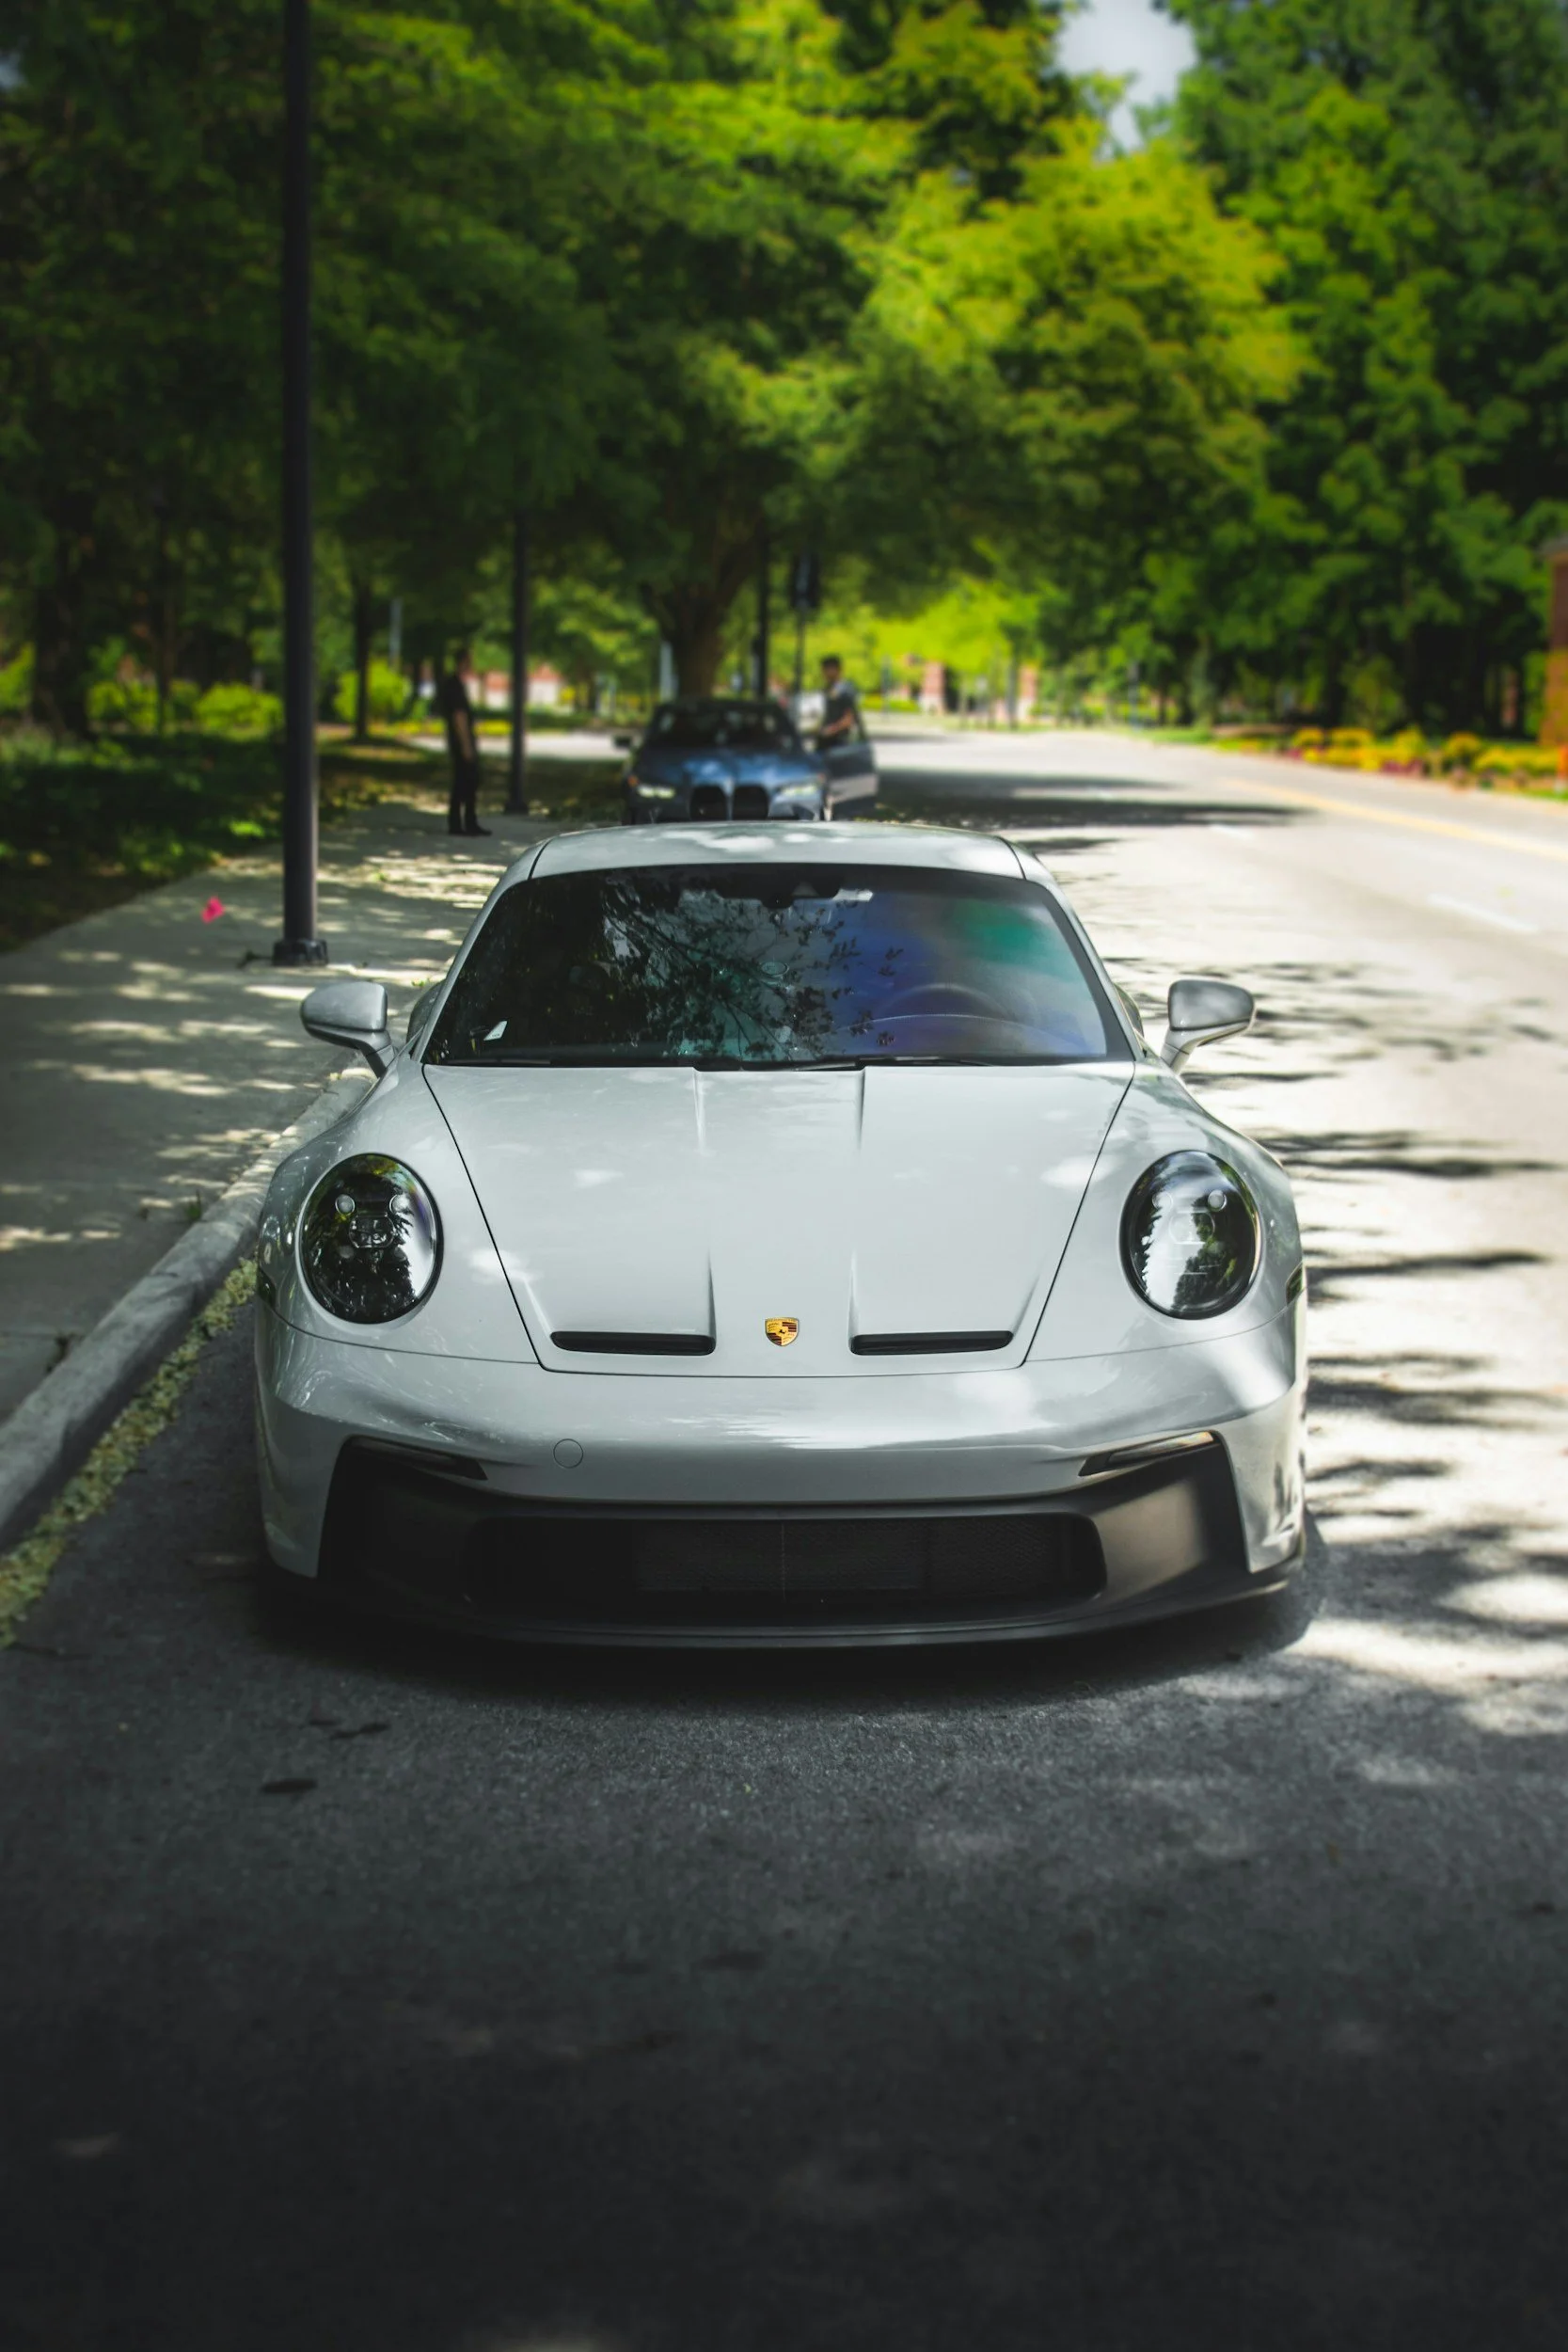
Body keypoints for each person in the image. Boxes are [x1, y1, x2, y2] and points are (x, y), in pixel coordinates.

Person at [437, 648, 490, 837]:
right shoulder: (455, 686)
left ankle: (461, 822)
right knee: (467, 781)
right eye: (469, 661)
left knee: (463, 782)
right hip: (461, 742)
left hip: (458, 741)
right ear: (463, 662)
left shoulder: (453, 684)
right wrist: (466, 745)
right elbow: (459, 717)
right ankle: (465, 823)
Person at [816, 654, 861, 753]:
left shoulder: (846, 690)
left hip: (839, 741)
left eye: (827, 669)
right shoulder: (826, 689)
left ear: (837, 670)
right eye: (823, 670)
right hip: (824, 740)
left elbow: (849, 718)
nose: (824, 673)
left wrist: (832, 730)